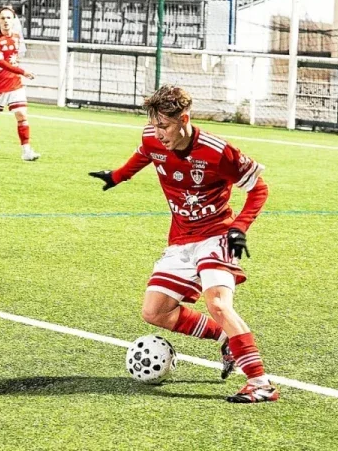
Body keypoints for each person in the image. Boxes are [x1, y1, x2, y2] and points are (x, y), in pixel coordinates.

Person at [89, 85, 278, 404]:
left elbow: (259, 189)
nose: (158, 133)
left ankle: (260, 383)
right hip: (180, 240)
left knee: (217, 304)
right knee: (155, 311)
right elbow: (144, 154)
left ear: (184, 119)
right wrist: (118, 176)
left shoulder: (217, 151)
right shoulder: (153, 138)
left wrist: (240, 228)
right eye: (155, 125)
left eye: (164, 125)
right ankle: (226, 338)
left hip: (217, 235)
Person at [0, 6, 40, 161]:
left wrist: (18, 73)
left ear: (14, 20)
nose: (6, 21)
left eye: (8, 18)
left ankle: (26, 151)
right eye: (3, 18)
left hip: (15, 83)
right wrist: (23, 71)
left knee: (21, 114)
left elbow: (13, 58)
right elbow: (0, 62)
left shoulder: (17, 37)